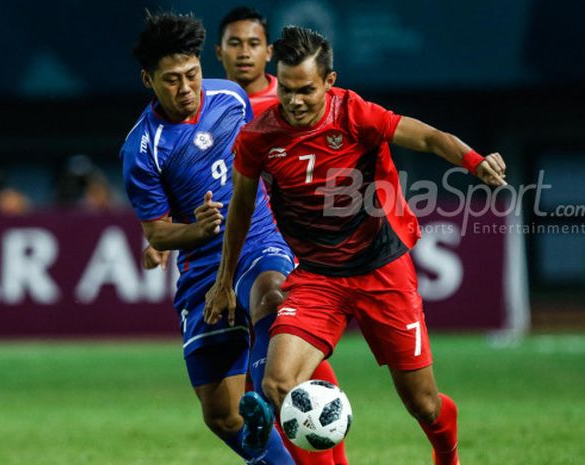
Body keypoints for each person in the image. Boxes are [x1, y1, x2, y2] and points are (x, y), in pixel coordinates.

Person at [205, 26, 508, 465]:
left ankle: (447, 453)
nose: (294, 101)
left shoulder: (354, 113)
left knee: (422, 403)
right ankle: (274, 425)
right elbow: (240, 211)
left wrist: (474, 162)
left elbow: (426, 137)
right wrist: (224, 280)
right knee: (276, 384)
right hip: (317, 277)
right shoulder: (258, 139)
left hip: (381, 268)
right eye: (286, 90)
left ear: (329, 82)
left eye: (306, 90)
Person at [121, 12, 298, 464]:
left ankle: (266, 401)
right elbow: (157, 230)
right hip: (201, 267)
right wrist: (195, 230)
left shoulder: (232, 97)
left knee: (270, 297)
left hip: (256, 238)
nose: (186, 89)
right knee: (220, 414)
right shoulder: (144, 149)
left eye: (192, 74)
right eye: (172, 80)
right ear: (149, 80)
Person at [215, 8, 347, 465]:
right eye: (235, 44)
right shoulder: (211, 108)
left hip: (288, 242)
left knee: (278, 326)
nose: (244, 53)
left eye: (253, 44)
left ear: (268, 52)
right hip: (227, 242)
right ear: (219, 53)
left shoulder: (293, 102)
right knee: (263, 361)